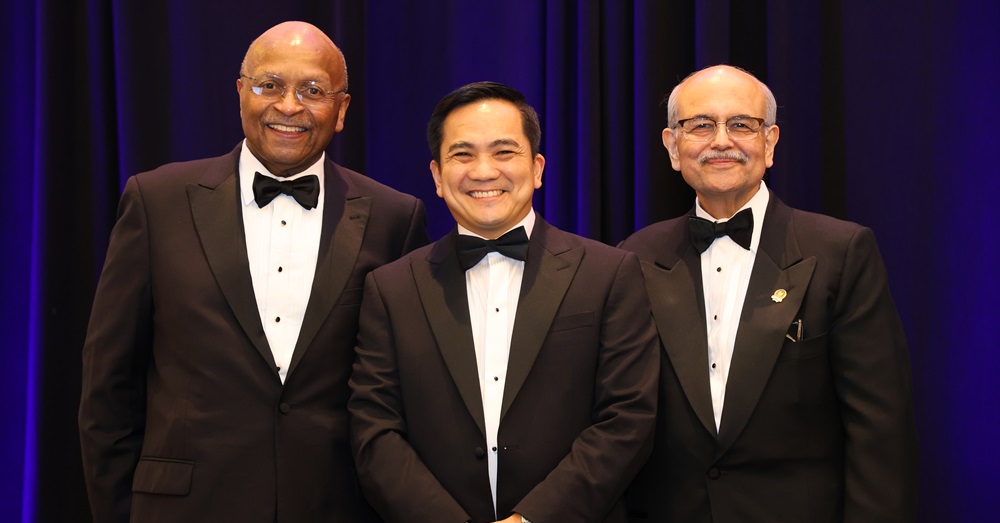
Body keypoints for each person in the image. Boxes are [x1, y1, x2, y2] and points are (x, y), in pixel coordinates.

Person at [79, 21, 428, 523]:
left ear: (343, 109)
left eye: (313, 90)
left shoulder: (396, 218)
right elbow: (107, 388)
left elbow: (405, 397)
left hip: (337, 507)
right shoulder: (156, 202)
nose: (288, 106)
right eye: (269, 86)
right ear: (241, 93)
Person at [348, 81, 658, 523]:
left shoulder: (609, 274)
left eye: (504, 152)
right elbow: (373, 431)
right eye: (462, 154)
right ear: (437, 176)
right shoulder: (391, 288)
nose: (483, 170)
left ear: (536, 168)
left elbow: (627, 419)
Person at [620, 65, 918, 522]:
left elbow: (880, 431)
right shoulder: (633, 258)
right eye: (700, 125)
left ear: (770, 142)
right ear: (673, 146)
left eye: (741, 124)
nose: (722, 140)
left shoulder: (841, 252)